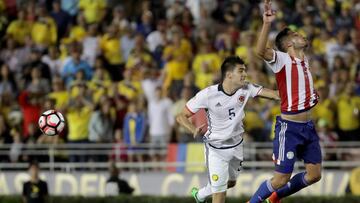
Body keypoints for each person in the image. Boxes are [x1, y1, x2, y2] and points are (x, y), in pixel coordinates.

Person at [176, 56, 280, 203]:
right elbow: (181, 116)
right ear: (229, 75)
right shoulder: (208, 94)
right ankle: (206, 193)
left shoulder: (246, 88)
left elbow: (275, 94)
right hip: (216, 148)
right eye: (241, 71)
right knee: (220, 194)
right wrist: (192, 128)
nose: (245, 74)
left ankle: (200, 195)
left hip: (237, 145)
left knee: (230, 183)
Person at [248, 1, 322, 202]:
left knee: (315, 175)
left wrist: (313, 97)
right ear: (288, 44)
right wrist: (266, 23)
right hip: (289, 128)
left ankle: (274, 198)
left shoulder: (305, 61)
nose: (302, 35)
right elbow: (260, 51)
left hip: (308, 126)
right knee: (281, 178)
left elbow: (300, 89)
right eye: (296, 35)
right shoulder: (281, 59)